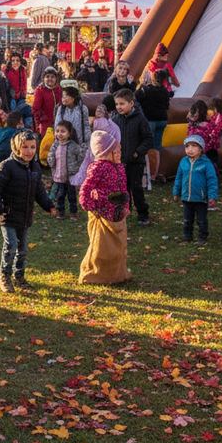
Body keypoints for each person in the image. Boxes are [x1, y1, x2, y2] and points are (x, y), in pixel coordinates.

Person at [0, 129, 57, 293]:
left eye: (33, 147)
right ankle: (4, 275)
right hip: (7, 214)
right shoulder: (7, 166)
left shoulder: (34, 167)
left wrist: (49, 205)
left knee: (22, 249)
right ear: (16, 148)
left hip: (24, 215)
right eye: (25, 147)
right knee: (10, 245)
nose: (29, 151)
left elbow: (39, 190)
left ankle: (19, 277)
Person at [78, 127, 130, 285]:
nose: (120, 153)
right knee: (102, 246)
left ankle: (116, 274)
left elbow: (123, 188)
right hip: (102, 212)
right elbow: (86, 189)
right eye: (117, 150)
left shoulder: (119, 167)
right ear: (106, 152)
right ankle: (95, 275)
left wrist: (126, 205)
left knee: (119, 246)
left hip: (117, 212)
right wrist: (90, 205)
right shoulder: (98, 167)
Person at [110, 89, 153, 225]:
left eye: (122, 104)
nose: (119, 107)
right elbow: (111, 138)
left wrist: (138, 152)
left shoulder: (140, 119)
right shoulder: (115, 120)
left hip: (136, 162)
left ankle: (143, 214)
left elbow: (148, 139)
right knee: (123, 188)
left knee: (136, 188)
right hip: (120, 162)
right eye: (117, 104)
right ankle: (124, 212)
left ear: (131, 103)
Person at [172, 134, 218, 245]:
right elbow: (178, 177)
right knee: (187, 219)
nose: (190, 149)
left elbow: (212, 180)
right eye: (187, 146)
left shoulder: (206, 164)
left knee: (201, 220)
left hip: (200, 198)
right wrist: (176, 192)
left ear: (201, 149)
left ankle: (202, 237)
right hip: (187, 197)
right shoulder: (183, 162)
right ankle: (187, 237)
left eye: (194, 146)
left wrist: (212, 196)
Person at [48, 120, 85, 219]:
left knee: (71, 196)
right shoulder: (55, 145)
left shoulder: (73, 145)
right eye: (57, 131)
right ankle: (61, 212)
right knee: (60, 195)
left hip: (70, 176)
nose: (59, 133)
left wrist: (76, 166)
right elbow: (50, 156)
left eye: (63, 131)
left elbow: (81, 155)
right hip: (59, 175)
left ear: (69, 133)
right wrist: (51, 163)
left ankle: (73, 212)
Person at [137, 70, 170, 150]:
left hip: (150, 120)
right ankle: (158, 159)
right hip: (162, 119)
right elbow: (167, 106)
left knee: (147, 143)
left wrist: (141, 84)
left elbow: (136, 97)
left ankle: (149, 160)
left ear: (153, 79)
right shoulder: (165, 91)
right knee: (157, 144)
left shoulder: (146, 90)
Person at [32, 67, 62, 138]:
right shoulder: (40, 90)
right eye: (47, 77)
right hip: (45, 122)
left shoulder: (58, 89)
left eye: (52, 77)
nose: (50, 79)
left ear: (56, 79)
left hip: (58, 121)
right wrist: (37, 124)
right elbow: (36, 109)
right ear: (44, 78)